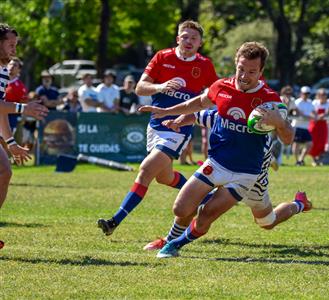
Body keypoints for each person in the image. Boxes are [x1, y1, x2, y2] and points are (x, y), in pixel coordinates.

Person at [138, 42, 301, 258]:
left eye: (252, 72)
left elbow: (288, 139)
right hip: (216, 163)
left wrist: (280, 122)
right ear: (236, 64)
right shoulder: (222, 87)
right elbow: (199, 104)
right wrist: (166, 110)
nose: (244, 76)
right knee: (180, 209)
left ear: (261, 72)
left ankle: (175, 244)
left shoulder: (270, 100)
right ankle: (172, 238)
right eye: (241, 69)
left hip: (246, 172)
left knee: (218, 217)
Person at [97, 20, 218, 236]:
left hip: (178, 128)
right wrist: (160, 86)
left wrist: (198, 114)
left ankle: (114, 221)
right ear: (177, 38)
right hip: (155, 125)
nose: (189, 41)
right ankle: (209, 197)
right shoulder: (163, 57)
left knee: (146, 170)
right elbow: (140, 87)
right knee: (164, 177)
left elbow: (215, 96)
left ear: (200, 43)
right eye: (185, 36)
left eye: (194, 38)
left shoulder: (205, 65)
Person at [142, 108, 311, 251]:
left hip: (252, 183)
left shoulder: (262, 139)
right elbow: (200, 115)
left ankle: (299, 204)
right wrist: (178, 121)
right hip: (220, 169)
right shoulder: (229, 114)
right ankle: (169, 240)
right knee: (191, 203)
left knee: (267, 222)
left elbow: (272, 148)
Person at [0, 24, 48, 248]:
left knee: (4, 171)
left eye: (16, 45)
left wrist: (10, 142)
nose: (14, 50)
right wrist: (23, 108)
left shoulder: (2, 70)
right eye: (10, 44)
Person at [291, 86, 314, 166]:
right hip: (297, 126)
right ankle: (297, 160)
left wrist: (314, 116)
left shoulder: (310, 102)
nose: (306, 95)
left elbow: (313, 112)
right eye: (305, 93)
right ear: (301, 93)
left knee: (310, 144)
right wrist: (307, 116)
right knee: (296, 144)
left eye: (308, 94)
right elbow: (297, 112)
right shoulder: (297, 102)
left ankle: (301, 160)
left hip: (305, 127)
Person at [309, 88, 329, 165]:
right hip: (314, 125)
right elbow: (312, 112)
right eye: (321, 95)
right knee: (313, 142)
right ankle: (313, 160)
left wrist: (322, 115)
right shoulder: (315, 102)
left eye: (324, 94)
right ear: (318, 95)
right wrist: (316, 117)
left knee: (322, 143)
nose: (323, 96)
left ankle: (319, 159)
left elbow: (328, 111)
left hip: (323, 126)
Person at [5, 57, 28, 133]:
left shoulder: (21, 87)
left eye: (15, 65)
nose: (11, 66)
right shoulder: (2, 80)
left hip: (10, 120)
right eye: (10, 64)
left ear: (19, 70)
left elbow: (23, 105)